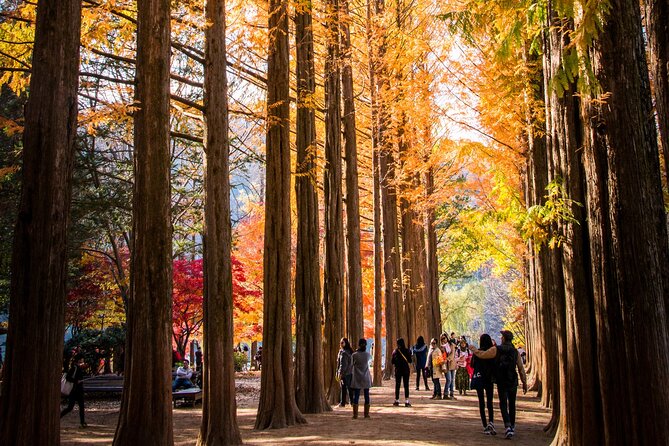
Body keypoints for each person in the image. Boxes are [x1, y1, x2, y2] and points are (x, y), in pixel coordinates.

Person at [470, 330, 527, 439]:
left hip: (501, 380)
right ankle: (512, 426)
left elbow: (482, 355)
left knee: (503, 404)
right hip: (512, 380)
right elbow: (520, 368)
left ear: (504, 338)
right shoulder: (515, 352)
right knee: (512, 404)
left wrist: (474, 349)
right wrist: (524, 382)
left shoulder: (496, 349)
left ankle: (507, 426)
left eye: (502, 337)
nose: (500, 338)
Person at [470, 334, 496, 435]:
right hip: (489, 379)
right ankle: (491, 423)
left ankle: (485, 426)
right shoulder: (492, 352)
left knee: (481, 402)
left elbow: (472, 364)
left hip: (479, 378)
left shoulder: (477, 352)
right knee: (490, 402)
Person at [60, 354, 87, 428]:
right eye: (82, 359)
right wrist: (76, 381)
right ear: (78, 360)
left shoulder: (79, 368)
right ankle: (59, 417)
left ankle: (83, 422)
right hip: (74, 390)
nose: (83, 360)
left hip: (79, 390)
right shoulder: (74, 368)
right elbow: (68, 378)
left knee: (81, 406)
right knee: (70, 407)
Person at [350, 338, 372, 419]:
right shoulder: (367, 355)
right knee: (366, 395)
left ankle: (355, 415)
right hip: (366, 377)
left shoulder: (354, 355)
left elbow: (351, 365)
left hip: (357, 377)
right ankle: (366, 414)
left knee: (356, 395)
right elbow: (370, 361)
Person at [391, 338, 412, 407]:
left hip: (398, 371)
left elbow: (392, 362)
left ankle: (397, 400)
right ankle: (406, 401)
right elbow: (410, 360)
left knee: (397, 385)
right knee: (406, 385)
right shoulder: (407, 351)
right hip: (406, 370)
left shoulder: (395, 352)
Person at [336, 337, 354, 407]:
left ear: (346, 343)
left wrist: (340, 373)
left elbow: (343, 365)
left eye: (342, 342)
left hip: (345, 373)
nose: (341, 344)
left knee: (343, 388)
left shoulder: (344, 353)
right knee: (349, 388)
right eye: (340, 342)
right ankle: (351, 402)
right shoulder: (350, 352)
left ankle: (343, 402)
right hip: (350, 372)